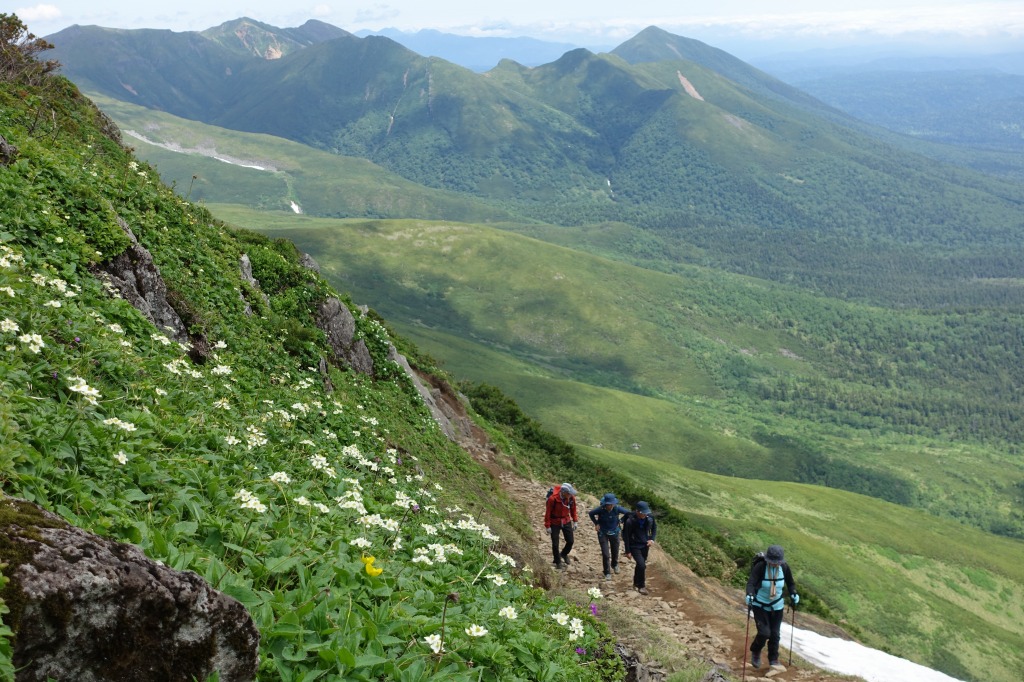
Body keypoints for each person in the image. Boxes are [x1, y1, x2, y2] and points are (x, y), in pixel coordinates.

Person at [745, 544, 799, 669]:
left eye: (777, 562)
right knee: (764, 633)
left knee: (775, 635)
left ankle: (773, 660)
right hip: (760, 605)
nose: (775, 564)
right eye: (772, 562)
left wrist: (794, 593)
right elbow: (751, 583)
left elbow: (790, 583)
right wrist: (749, 594)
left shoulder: (784, 567)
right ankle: (756, 650)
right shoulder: (760, 567)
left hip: (777, 606)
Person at [588, 492, 630, 581]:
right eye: (607, 504)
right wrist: (596, 523)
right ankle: (607, 572)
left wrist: (621, 520)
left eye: (610, 504)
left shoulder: (617, 508)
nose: (609, 506)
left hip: (614, 532)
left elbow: (628, 513)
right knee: (606, 554)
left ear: (613, 504)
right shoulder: (601, 509)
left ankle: (614, 564)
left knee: (615, 550)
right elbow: (591, 513)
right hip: (602, 533)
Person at [622, 500, 657, 594]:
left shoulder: (650, 518)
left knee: (640, 565)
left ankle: (636, 583)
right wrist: (627, 551)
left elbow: (654, 528)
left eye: (646, 513)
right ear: (637, 511)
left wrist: (652, 539)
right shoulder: (630, 521)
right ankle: (642, 586)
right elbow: (626, 537)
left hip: (645, 545)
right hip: (634, 546)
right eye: (643, 513)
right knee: (642, 565)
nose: (645, 515)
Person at [544, 482, 578, 569]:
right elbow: (548, 512)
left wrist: (575, 521)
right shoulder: (553, 499)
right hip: (554, 522)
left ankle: (563, 554)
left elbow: (573, 510)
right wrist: (548, 526)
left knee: (570, 541)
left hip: (566, 520)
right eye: (569, 493)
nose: (570, 495)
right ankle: (557, 561)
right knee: (555, 543)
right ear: (563, 492)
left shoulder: (571, 498)